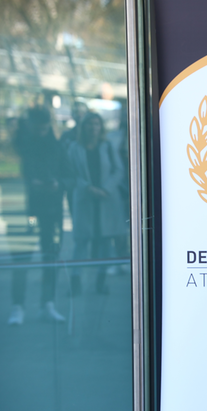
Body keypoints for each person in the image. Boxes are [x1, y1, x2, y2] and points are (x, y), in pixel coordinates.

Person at [9, 105, 67, 324]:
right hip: (27, 211)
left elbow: (68, 175)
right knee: (22, 257)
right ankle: (18, 306)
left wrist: (57, 184)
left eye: (44, 128)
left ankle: (47, 304)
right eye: (38, 128)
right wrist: (28, 183)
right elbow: (9, 176)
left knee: (50, 256)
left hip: (51, 210)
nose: (42, 132)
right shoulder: (20, 146)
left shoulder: (56, 146)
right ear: (30, 126)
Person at [64, 112, 127, 295]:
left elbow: (118, 170)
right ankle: (75, 282)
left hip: (107, 200)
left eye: (97, 124)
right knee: (81, 241)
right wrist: (88, 188)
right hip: (85, 199)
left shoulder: (107, 146)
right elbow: (71, 173)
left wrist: (105, 189)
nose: (93, 128)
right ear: (83, 127)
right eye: (90, 124)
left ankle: (101, 281)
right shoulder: (74, 148)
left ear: (101, 127)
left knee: (106, 241)